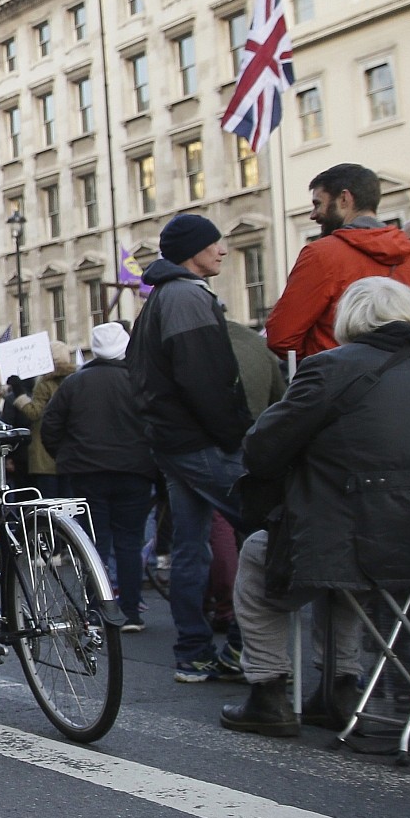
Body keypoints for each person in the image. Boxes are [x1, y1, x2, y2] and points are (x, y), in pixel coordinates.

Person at [221, 278, 410, 736]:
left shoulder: (328, 369)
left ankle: (269, 691)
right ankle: (341, 686)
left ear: (350, 318)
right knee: (343, 565)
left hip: (352, 540)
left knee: (262, 558)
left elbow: (261, 451)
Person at [126, 214, 253, 683]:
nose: (222, 250)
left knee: (190, 549)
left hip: (177, 443)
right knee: (265, 531)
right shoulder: (185, 297)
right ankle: (241, 647)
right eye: (214, 243)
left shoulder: (164, 298)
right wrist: (232, 436)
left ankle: (194, 652)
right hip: (200, 443)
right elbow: (205, 380)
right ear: (192, 250)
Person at [41, 322, 157, 631]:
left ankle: (96, 609)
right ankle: (131, 611)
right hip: (135, 470)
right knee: (129, 543)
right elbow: (157, 423)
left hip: (87, 470)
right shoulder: (141, 380)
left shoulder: (74, 383)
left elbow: (50, 426)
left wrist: (66, 457)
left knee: (94, 544)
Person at [267, 163, 410, 361]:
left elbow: (281, 337)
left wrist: (321, 363)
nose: (313, 215)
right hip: (407, 382)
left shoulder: (321, 255)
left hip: (339, 382)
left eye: (318, 204)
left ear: (344, 199)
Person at [9, 341, 74, 495]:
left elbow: (34, 412)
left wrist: (19, 393)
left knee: (50, 504)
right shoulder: (76, 379)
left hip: (45, 451)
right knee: (71, 502)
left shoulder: (45, 382)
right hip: (72, 449)